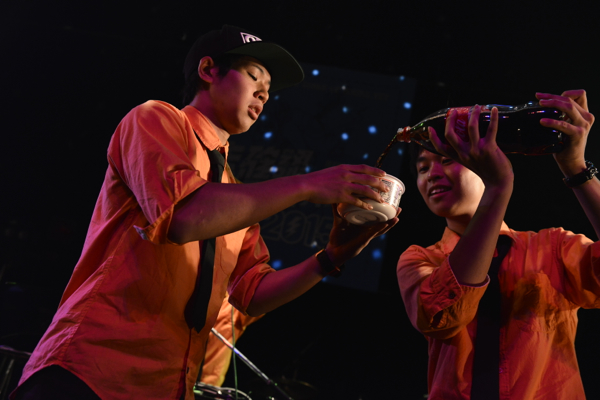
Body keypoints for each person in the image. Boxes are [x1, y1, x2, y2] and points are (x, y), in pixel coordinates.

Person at [11, 24, 398, 400]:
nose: (264, 93)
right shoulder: (155, 118)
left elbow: (252, 294)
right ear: (209, 70)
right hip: (89, 370)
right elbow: (183, 216)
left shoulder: (233, 194)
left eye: (268, 90)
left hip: (163, 385)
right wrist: (306, 185)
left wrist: (330, 258)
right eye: (254, 76)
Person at [396, 90, 599, 399]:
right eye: (423, 168)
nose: (433, 174)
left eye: (448, 160)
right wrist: (497, 188)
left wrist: (575, 166)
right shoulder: (419, 260)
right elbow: (442, 318)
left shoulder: (553, 247)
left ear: (487, 159)